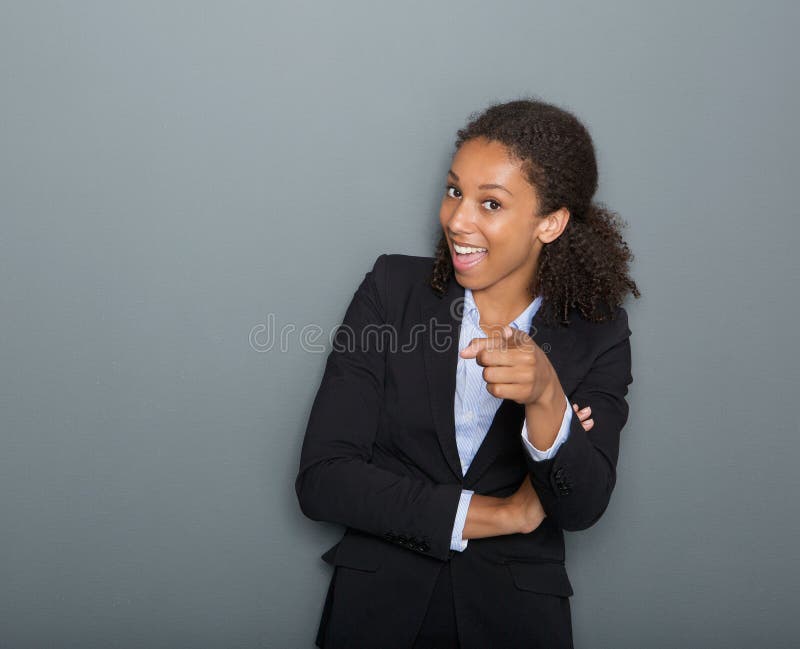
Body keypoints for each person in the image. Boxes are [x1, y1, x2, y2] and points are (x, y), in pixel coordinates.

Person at [295, 97, 640, 649]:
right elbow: (324, 479)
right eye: (455, 191)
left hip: (515, 621)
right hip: (376, 614)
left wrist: (546, 396)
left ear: (549, 223)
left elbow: (582, 506)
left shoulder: (597, 333)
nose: (458, 219)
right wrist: (504, 514)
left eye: (491, 203)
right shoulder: (391, 292)